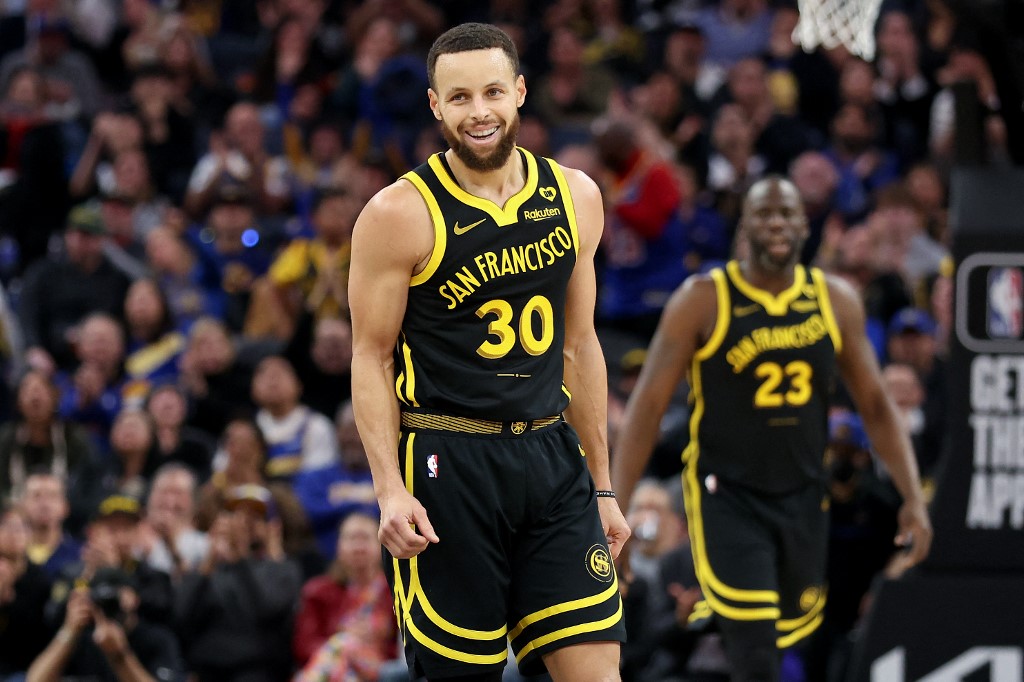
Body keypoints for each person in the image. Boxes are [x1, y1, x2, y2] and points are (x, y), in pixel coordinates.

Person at [348, 22, 627, 682]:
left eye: (494, 92)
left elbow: (580, 347)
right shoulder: (397, 214)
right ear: (436, 105)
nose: (480, 112)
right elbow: (370, 356)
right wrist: (389, 489)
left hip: (551, 460)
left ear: (521, 93)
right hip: (450, 464)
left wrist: (604, 487)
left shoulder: (576, 196)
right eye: (462, 97)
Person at [611, 176, 932, 681]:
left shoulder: (835, 300)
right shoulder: (703, 299)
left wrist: (913, 494)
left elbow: (874, 403)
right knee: (755, 645)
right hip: (728, 495)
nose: (777, 223)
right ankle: (721, 606)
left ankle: (707, 612)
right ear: (745, 227)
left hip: (803, 494)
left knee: (788, 632)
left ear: (806, 225)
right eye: (765, 213)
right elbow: (647, 408)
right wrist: (616, 504)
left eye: (787, 213)